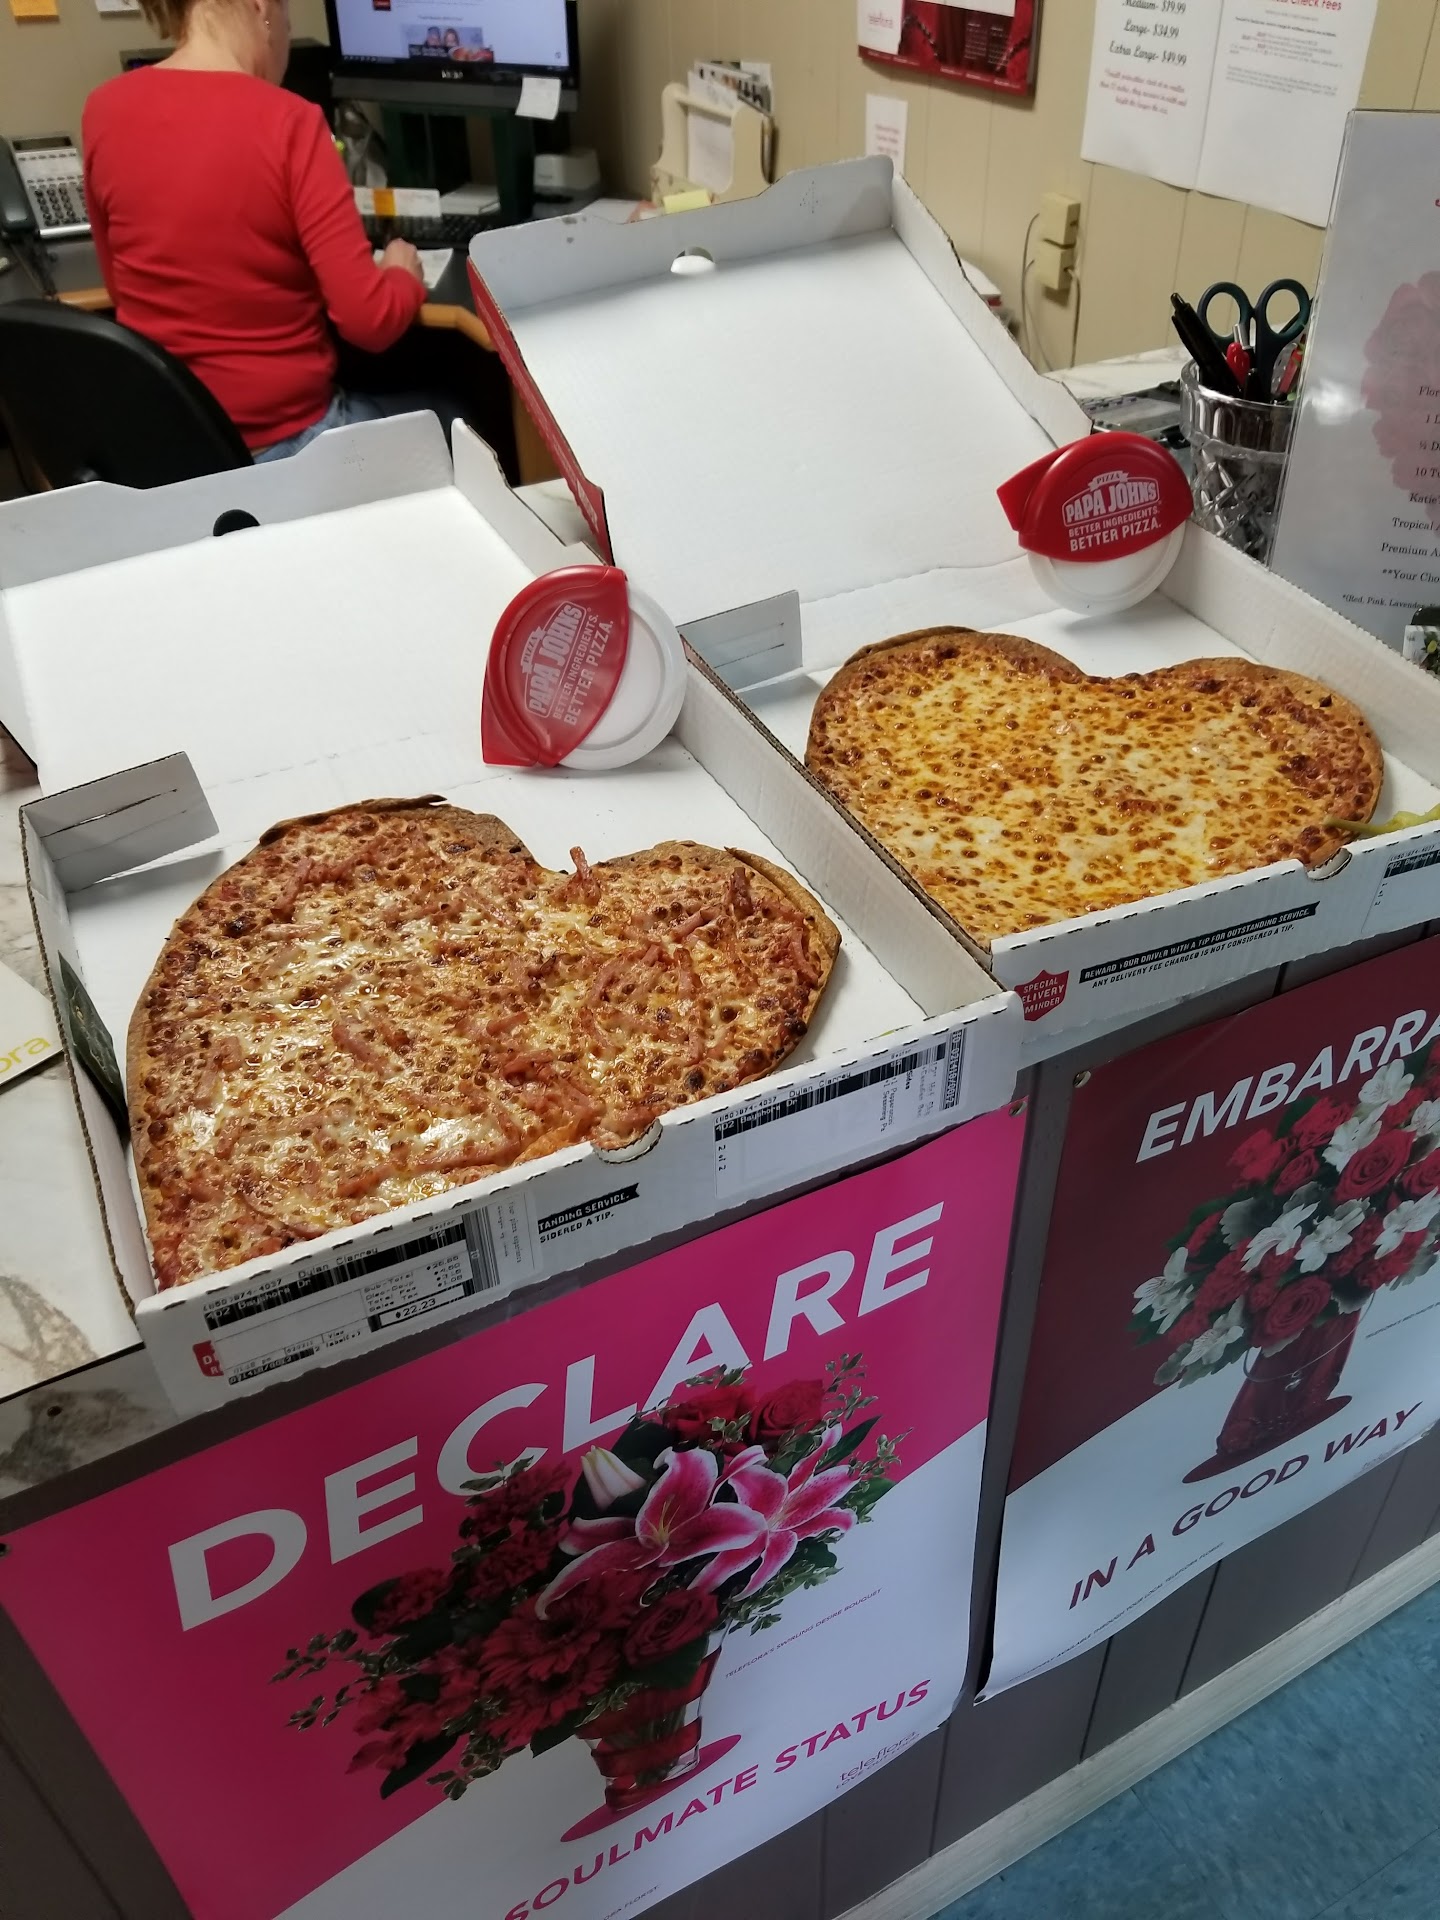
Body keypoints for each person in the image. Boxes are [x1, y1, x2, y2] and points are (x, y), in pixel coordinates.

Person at [82, 0, 448, 461]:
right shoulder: (290, 121)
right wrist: (401, 275)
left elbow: (120, 288)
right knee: (457, 413)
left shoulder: (104, 109)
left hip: (168, 450)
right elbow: (369, 321)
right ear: (262, 7)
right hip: (286, 445)